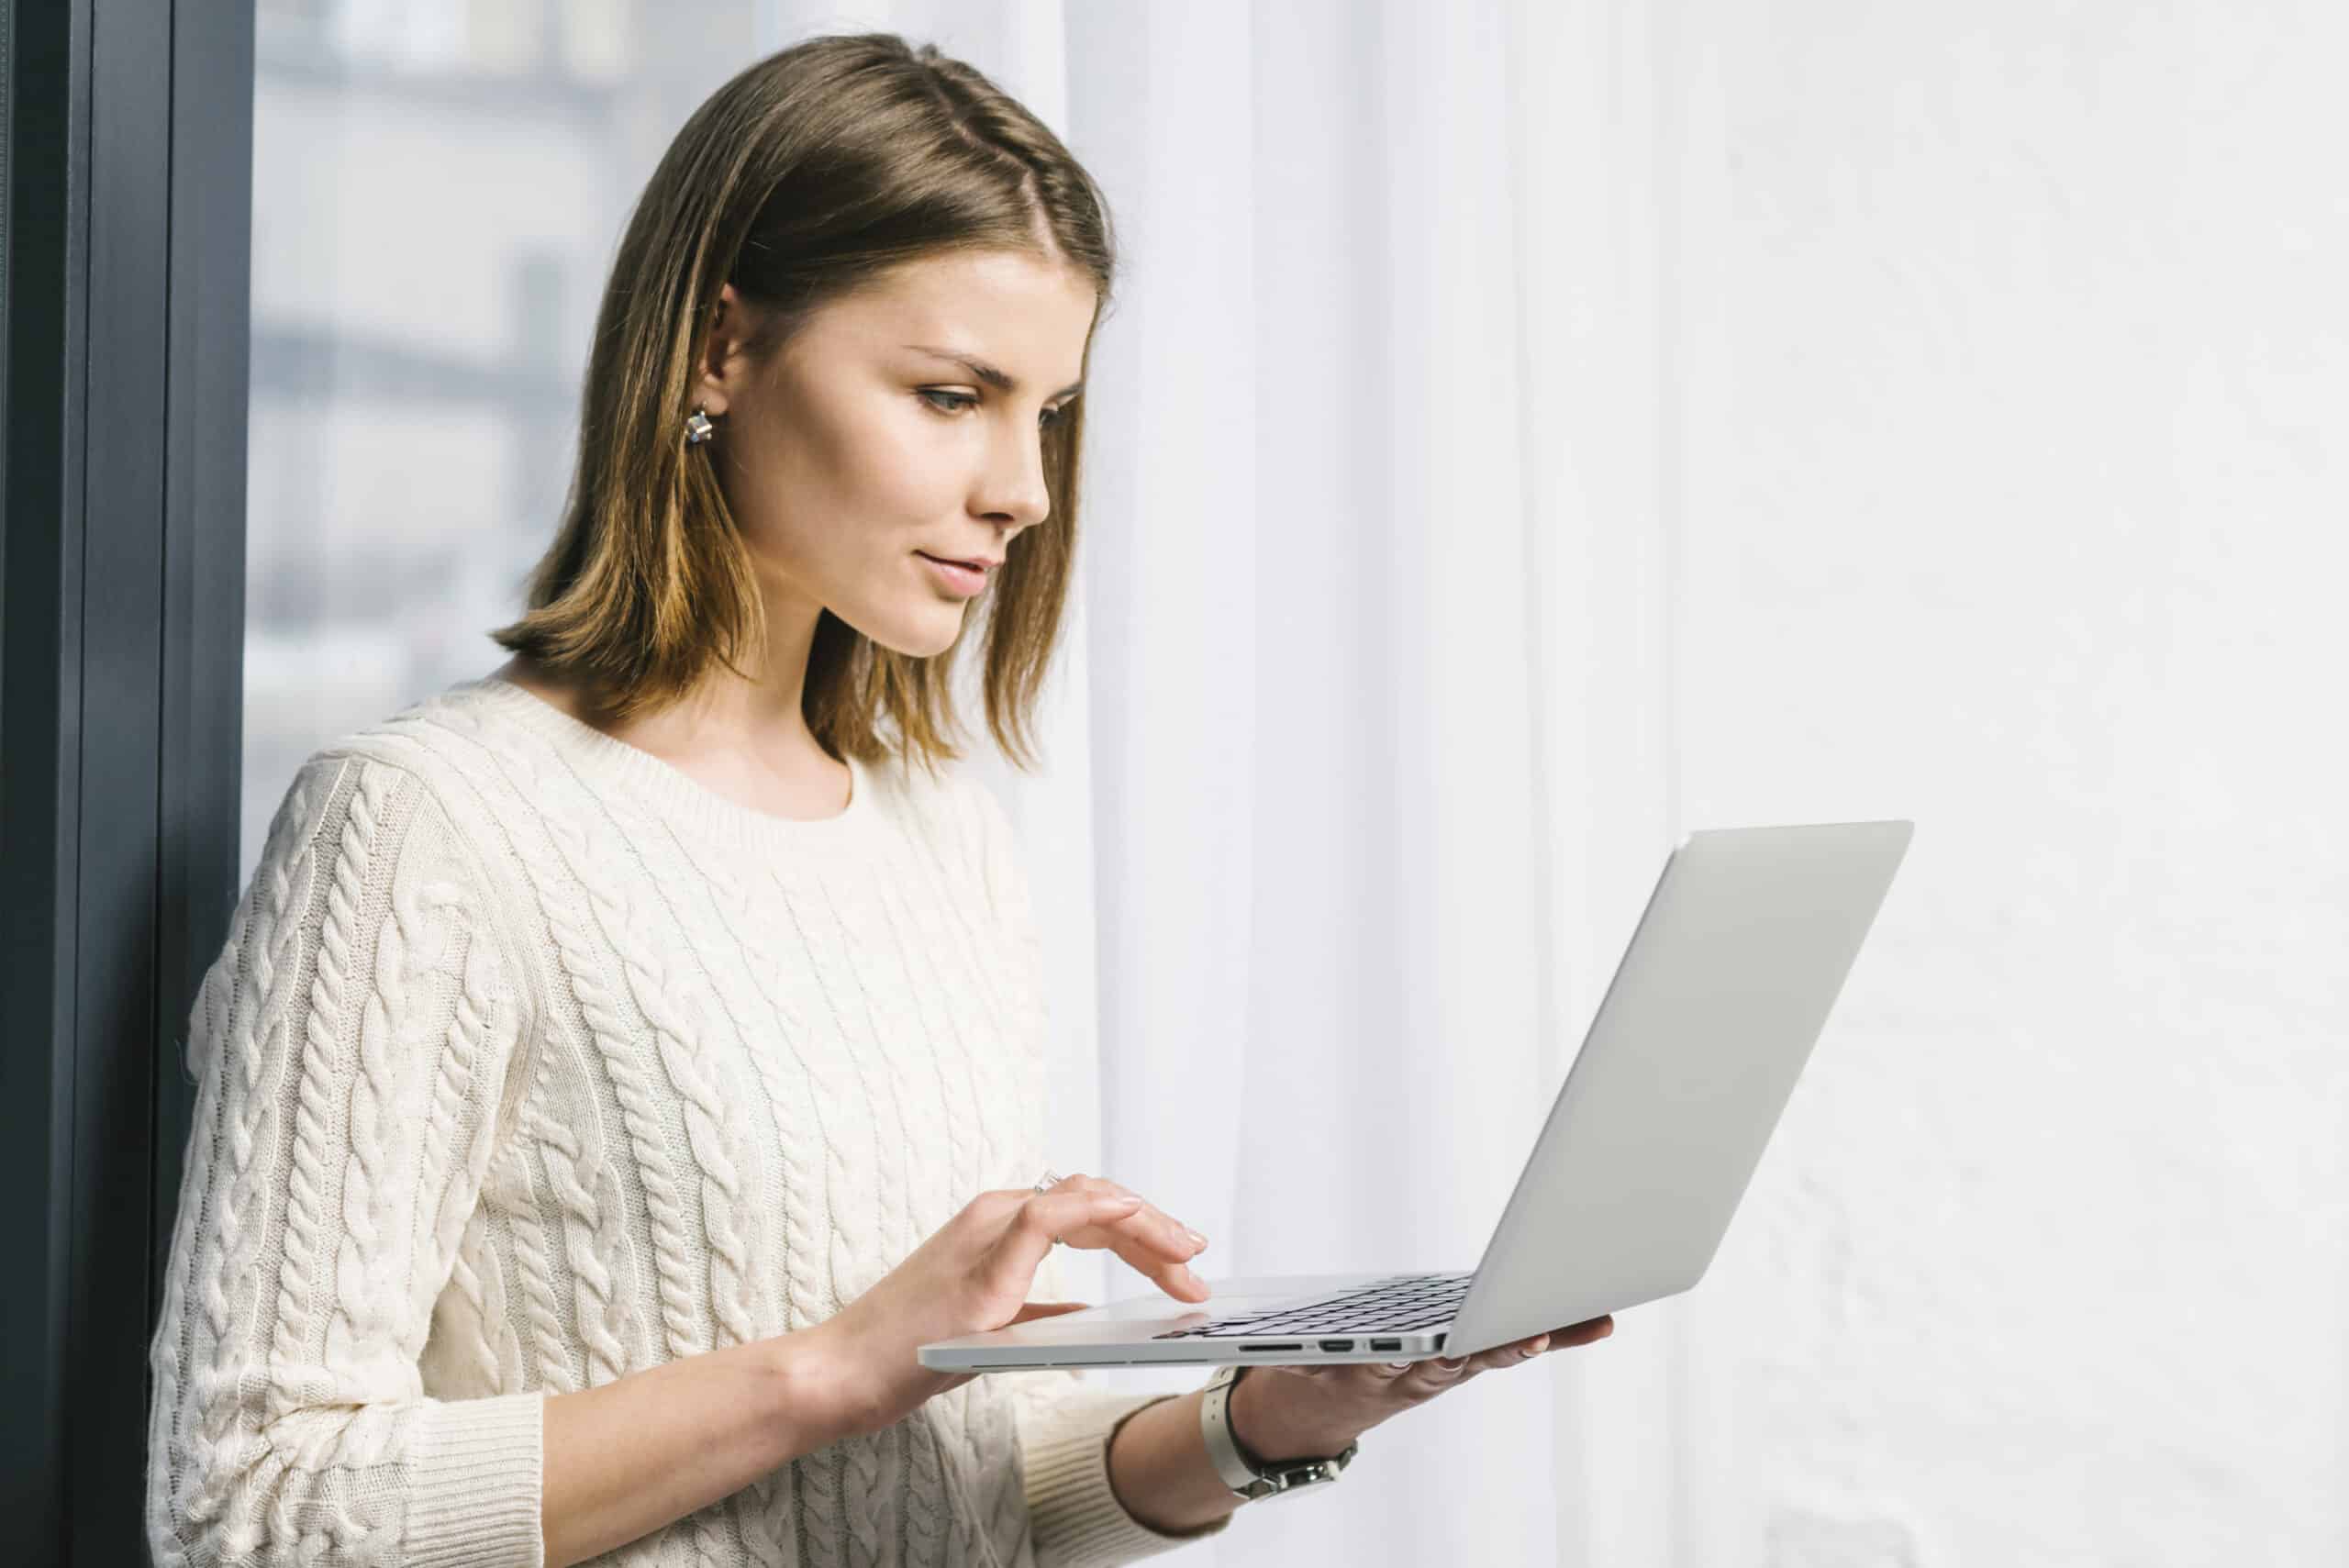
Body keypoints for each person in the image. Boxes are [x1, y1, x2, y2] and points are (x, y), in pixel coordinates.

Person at [142, 30, 1612, 1568]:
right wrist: (827, 1370)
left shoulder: (936, 837)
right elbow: (243, 1506)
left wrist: (1262, 1424)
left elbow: (958, 1473)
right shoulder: (425, 829)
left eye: (1043, 412)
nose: (1025, 490)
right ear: (720, 349)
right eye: (951, 392)